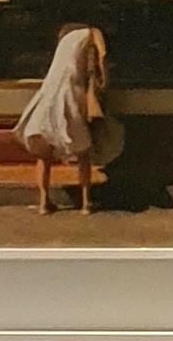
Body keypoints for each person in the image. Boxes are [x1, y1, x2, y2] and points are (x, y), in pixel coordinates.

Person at [16, 20, 110, 216]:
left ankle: (44, 203)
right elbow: (103, 55)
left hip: (49, 92)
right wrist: (104, 80)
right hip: (71, 92)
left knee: (44, 154)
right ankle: (86, 203)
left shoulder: (65, 41)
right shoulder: (93, 32)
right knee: (83, 151)